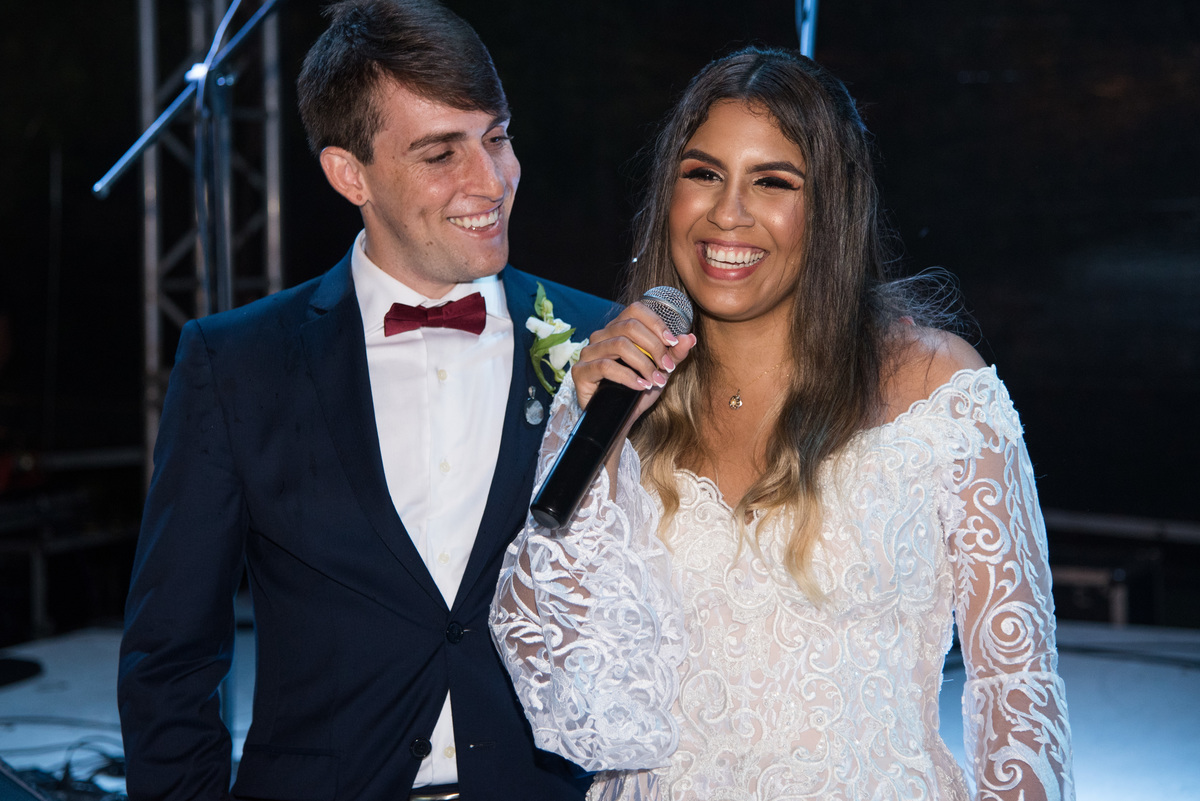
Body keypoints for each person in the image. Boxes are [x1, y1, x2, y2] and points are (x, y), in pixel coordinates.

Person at [490, 46, 1074, 800]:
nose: (727, 213)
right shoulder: (614, 395)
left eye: (772, 182)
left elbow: (1016, 684)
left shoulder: (936, 389)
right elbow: (570, 703)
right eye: (703, 174)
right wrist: (596, 445)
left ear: (830, 207)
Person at [117, 1, 613, 799]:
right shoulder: (238, 363)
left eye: (496, 137)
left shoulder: (598, 342)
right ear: (351, 174)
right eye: (440, 152)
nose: (491, 180)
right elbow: (171, 657)